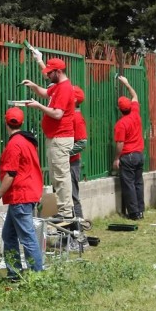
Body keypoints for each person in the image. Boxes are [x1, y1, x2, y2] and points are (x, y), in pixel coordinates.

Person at [0, 108, 44, 281]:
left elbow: (10, 174)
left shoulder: (14, 144)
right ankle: (15, 273)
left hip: (21, 195)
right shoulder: (28, 141)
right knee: (9, 235)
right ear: (22, 122)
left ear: (6, 122)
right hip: (26, 193)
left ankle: (37, 276)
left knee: (27, 238)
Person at [22, 57, 75, 220]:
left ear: (58, 72)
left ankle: (66, 212)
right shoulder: (58, 86)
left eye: (50, 73)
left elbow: (58, 114)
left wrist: (38, 106)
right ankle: (63, 209)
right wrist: (33, 86)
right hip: (55, 137)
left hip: (60, 137)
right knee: (57, 176)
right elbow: (46, 93)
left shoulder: (65, 88)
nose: (47, 76)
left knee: (60, 176)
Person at [113, 75, 145, 220]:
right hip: (139, 154)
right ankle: (141, 209)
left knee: (129, 184)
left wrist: (116, 158)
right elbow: (135, 95)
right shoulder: (136, 114)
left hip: (128, 156)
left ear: (119, 109)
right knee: (138, 183)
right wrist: (127, 83)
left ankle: (133, 213)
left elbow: (120, 144)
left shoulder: (121, 124)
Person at [69, 86, 88, 219]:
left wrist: (64, 153)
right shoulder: (70, 116)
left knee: (73, 195)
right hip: (67, 161)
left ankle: (79, 226)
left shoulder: (77, 118)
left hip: (72, 163)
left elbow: (82, 143)